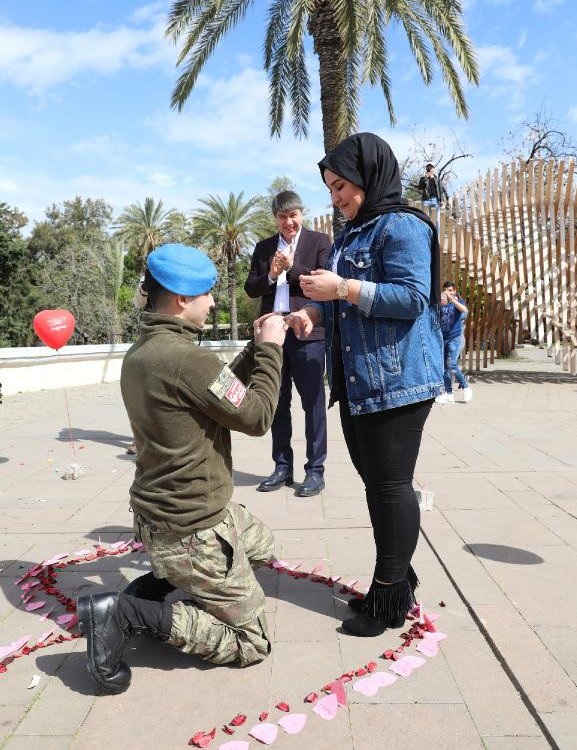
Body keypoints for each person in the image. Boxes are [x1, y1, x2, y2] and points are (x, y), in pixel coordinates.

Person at [77, 243, 287, 694]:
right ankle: (124, 613)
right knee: (252, 641)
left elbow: (210, 388)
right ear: (180, 300)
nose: (213, 303)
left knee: (263, 546)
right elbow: (256, 416)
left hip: (167, 517)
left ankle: (165, 580)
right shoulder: (186, 359)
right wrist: (271, 351)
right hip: (193, 528)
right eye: (208, 294)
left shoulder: (143, 354)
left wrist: (254, 345)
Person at [285, 133, 444, 638]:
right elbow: (341, 307)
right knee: (377, 486)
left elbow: (415, 298)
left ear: (369, 176)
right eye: (330, 189)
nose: (336, 198)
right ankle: (392, 583)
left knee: (391, 486)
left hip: (398, 380)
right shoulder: (353, 233)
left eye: (341, 186)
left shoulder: (403, 225)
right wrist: (313, 311)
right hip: (357, 382)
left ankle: (389, 599)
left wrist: (345, 288)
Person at [245, 191, 331, 497]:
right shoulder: (263, 247)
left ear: (301, 214)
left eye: (293, 215)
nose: (288, 222)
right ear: (275, 219)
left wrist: (291, 268)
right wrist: (271, 273)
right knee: (277, 404)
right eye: (282, 217)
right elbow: (251, 288)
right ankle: (282, 467)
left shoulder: (320, 242)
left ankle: (315, 471)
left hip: (308, 335)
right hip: (273, 335)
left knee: (313, 405)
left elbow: (323, 283)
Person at [436, 280, 472, 403]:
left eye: (450, 290)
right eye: (446, 290)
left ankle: (466, 387)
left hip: (455, 338)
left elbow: (464, 310)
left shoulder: (458, 302)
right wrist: (439, 305)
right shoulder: (442, 303)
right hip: (444, 338)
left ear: (454, 291)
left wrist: (452, 299)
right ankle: (448, 394)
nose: (448, 293)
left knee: (451, 365)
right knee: (445, 368)